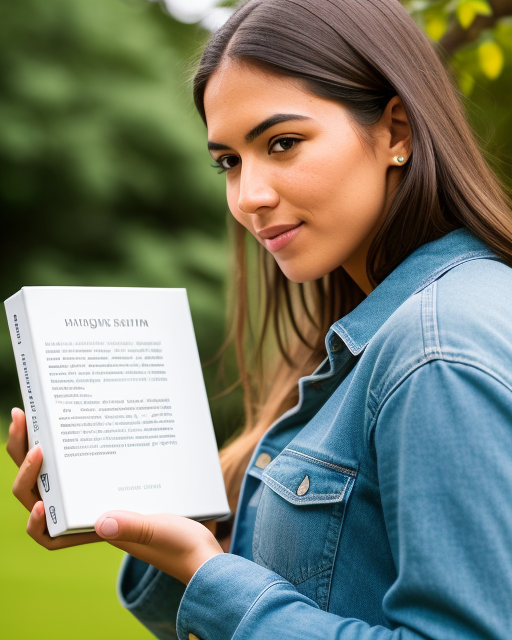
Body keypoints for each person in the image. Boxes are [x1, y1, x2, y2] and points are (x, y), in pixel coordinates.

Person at [7, 0, 512, 638]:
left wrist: (213, 578)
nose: (250, 197)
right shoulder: (387, 329)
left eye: (283, 143)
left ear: (397, 133)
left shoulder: (434, 351)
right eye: (229, 161)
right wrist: (169, 536)